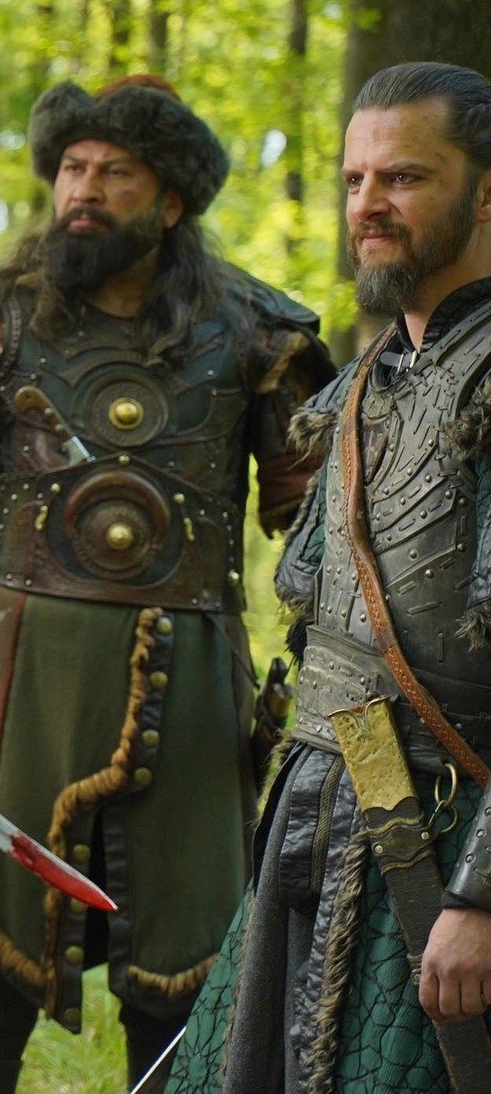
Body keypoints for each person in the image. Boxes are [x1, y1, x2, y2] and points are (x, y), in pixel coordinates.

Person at [0, 75, 334, 1092]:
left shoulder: (260, 335)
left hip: (190, 697)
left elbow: (321, 531)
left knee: (186, 975)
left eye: (116, 173)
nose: (84, 190)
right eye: (71, 167)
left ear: (172, 201)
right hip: (11, 692)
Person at [170, 62, 491, 1093]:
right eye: (355, 180)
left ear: (487, 192)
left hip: (445, 843)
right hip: (316, 815)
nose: (368, 204)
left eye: (404, 177)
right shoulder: (357, 388)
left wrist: (479, 896)